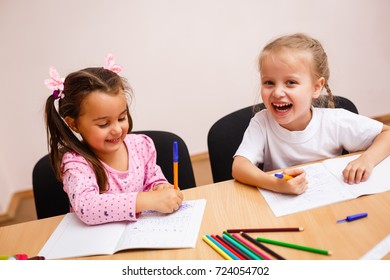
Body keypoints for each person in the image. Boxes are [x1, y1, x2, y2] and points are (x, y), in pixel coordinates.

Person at [232, 33, 390, 195]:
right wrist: (275, 184)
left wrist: (366, 160)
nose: (278, 92)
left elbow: (387, 134)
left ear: (316, 87)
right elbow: (239, 166)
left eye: (291, 82)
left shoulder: (334, 121)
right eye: (269, 83)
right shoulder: (262, 122)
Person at [44, 54, 183, 225]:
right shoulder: (76, 164)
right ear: (74, 124)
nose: (117, 130)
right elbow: (87, 207)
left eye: (122, 117)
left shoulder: (141, 145)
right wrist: (149, 200)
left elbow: (153, 178)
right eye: (103, 124)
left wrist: (160, 187)